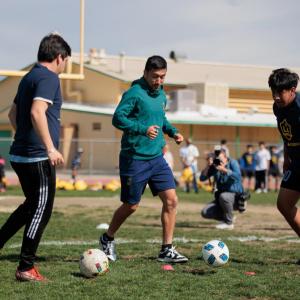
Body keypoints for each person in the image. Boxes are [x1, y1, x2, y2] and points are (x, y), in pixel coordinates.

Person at [100, 55, 188, 263]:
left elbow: (161, 118)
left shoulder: (161, 95)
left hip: (157, 157)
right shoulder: (134, 93)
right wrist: (141, 129)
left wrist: (173, 132)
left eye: (163, 77)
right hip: (134, 158)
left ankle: (166, 249)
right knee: (131, 206)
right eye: (156, 76)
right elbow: (118, 118)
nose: (159, 81)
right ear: (146, 72)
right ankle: (107, 237)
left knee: (172, 200)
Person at [0, 33, 71, 282]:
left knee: (30, 205)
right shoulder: (49, 77)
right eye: (66, 61)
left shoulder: (29, 76)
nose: (65, 66)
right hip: (37, 158)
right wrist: (50, 148)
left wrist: (24, 137)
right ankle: (26, 267)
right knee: (42, 208)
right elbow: (36, 111)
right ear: (59, 57)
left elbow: (12, 114)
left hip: (20, 154)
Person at [268, 68, 300, 239]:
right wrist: (287, 157)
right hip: (296, 163)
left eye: (280, 92)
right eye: (273, 92)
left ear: (293, 90)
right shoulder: (278, 107)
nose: (276, 96)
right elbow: (286, 134)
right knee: (284, 204)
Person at [200, 147, 246, 230]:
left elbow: (238, 176)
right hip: (221, 198)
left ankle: (229, 223)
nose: (219, 160)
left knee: (224, 196)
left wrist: (224, 170)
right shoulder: (215, 166)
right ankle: (228, 217)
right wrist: (209, 166)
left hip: (236, 197)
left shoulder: (233, 162)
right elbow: (202, 178)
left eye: (220, 158)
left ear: (225, 157)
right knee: (205, 212)